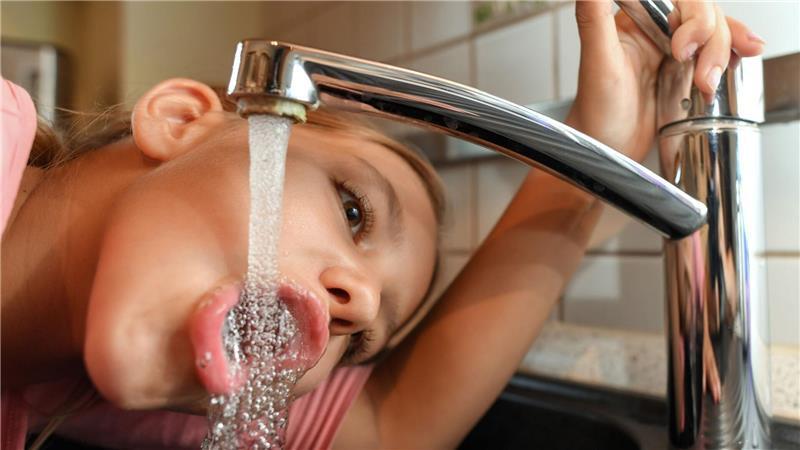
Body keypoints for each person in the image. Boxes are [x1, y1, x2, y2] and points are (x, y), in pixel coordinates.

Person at [1, 1, 764, 448]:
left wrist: (601, 138)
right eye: (353, 209)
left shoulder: (56, 380)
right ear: (180, 120)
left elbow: (392, 425)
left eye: (362, 341)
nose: (356, 305)